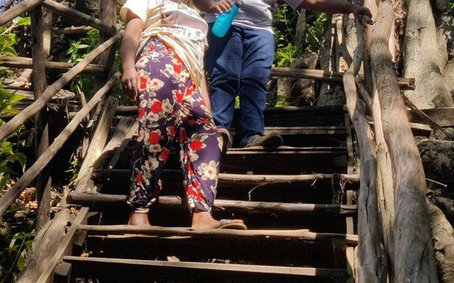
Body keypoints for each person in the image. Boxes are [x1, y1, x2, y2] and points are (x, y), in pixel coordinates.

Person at [120, 0, 247, 230]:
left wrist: (206, 104)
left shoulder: (197, 16)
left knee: (208, 136)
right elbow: (131, 34)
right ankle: (139, 212)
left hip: (190, 76)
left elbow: (197, 64)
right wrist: (128, 67)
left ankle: (202, 215)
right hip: (158, 60)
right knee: (155, 132)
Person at [205, 0, 372, 148]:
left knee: (256, 80)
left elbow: (312, 1)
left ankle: (251, 134)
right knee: (225, 75)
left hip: (260, 30)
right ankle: (220, 131)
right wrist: (210, 5)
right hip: (223, 23)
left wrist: (350, 7)